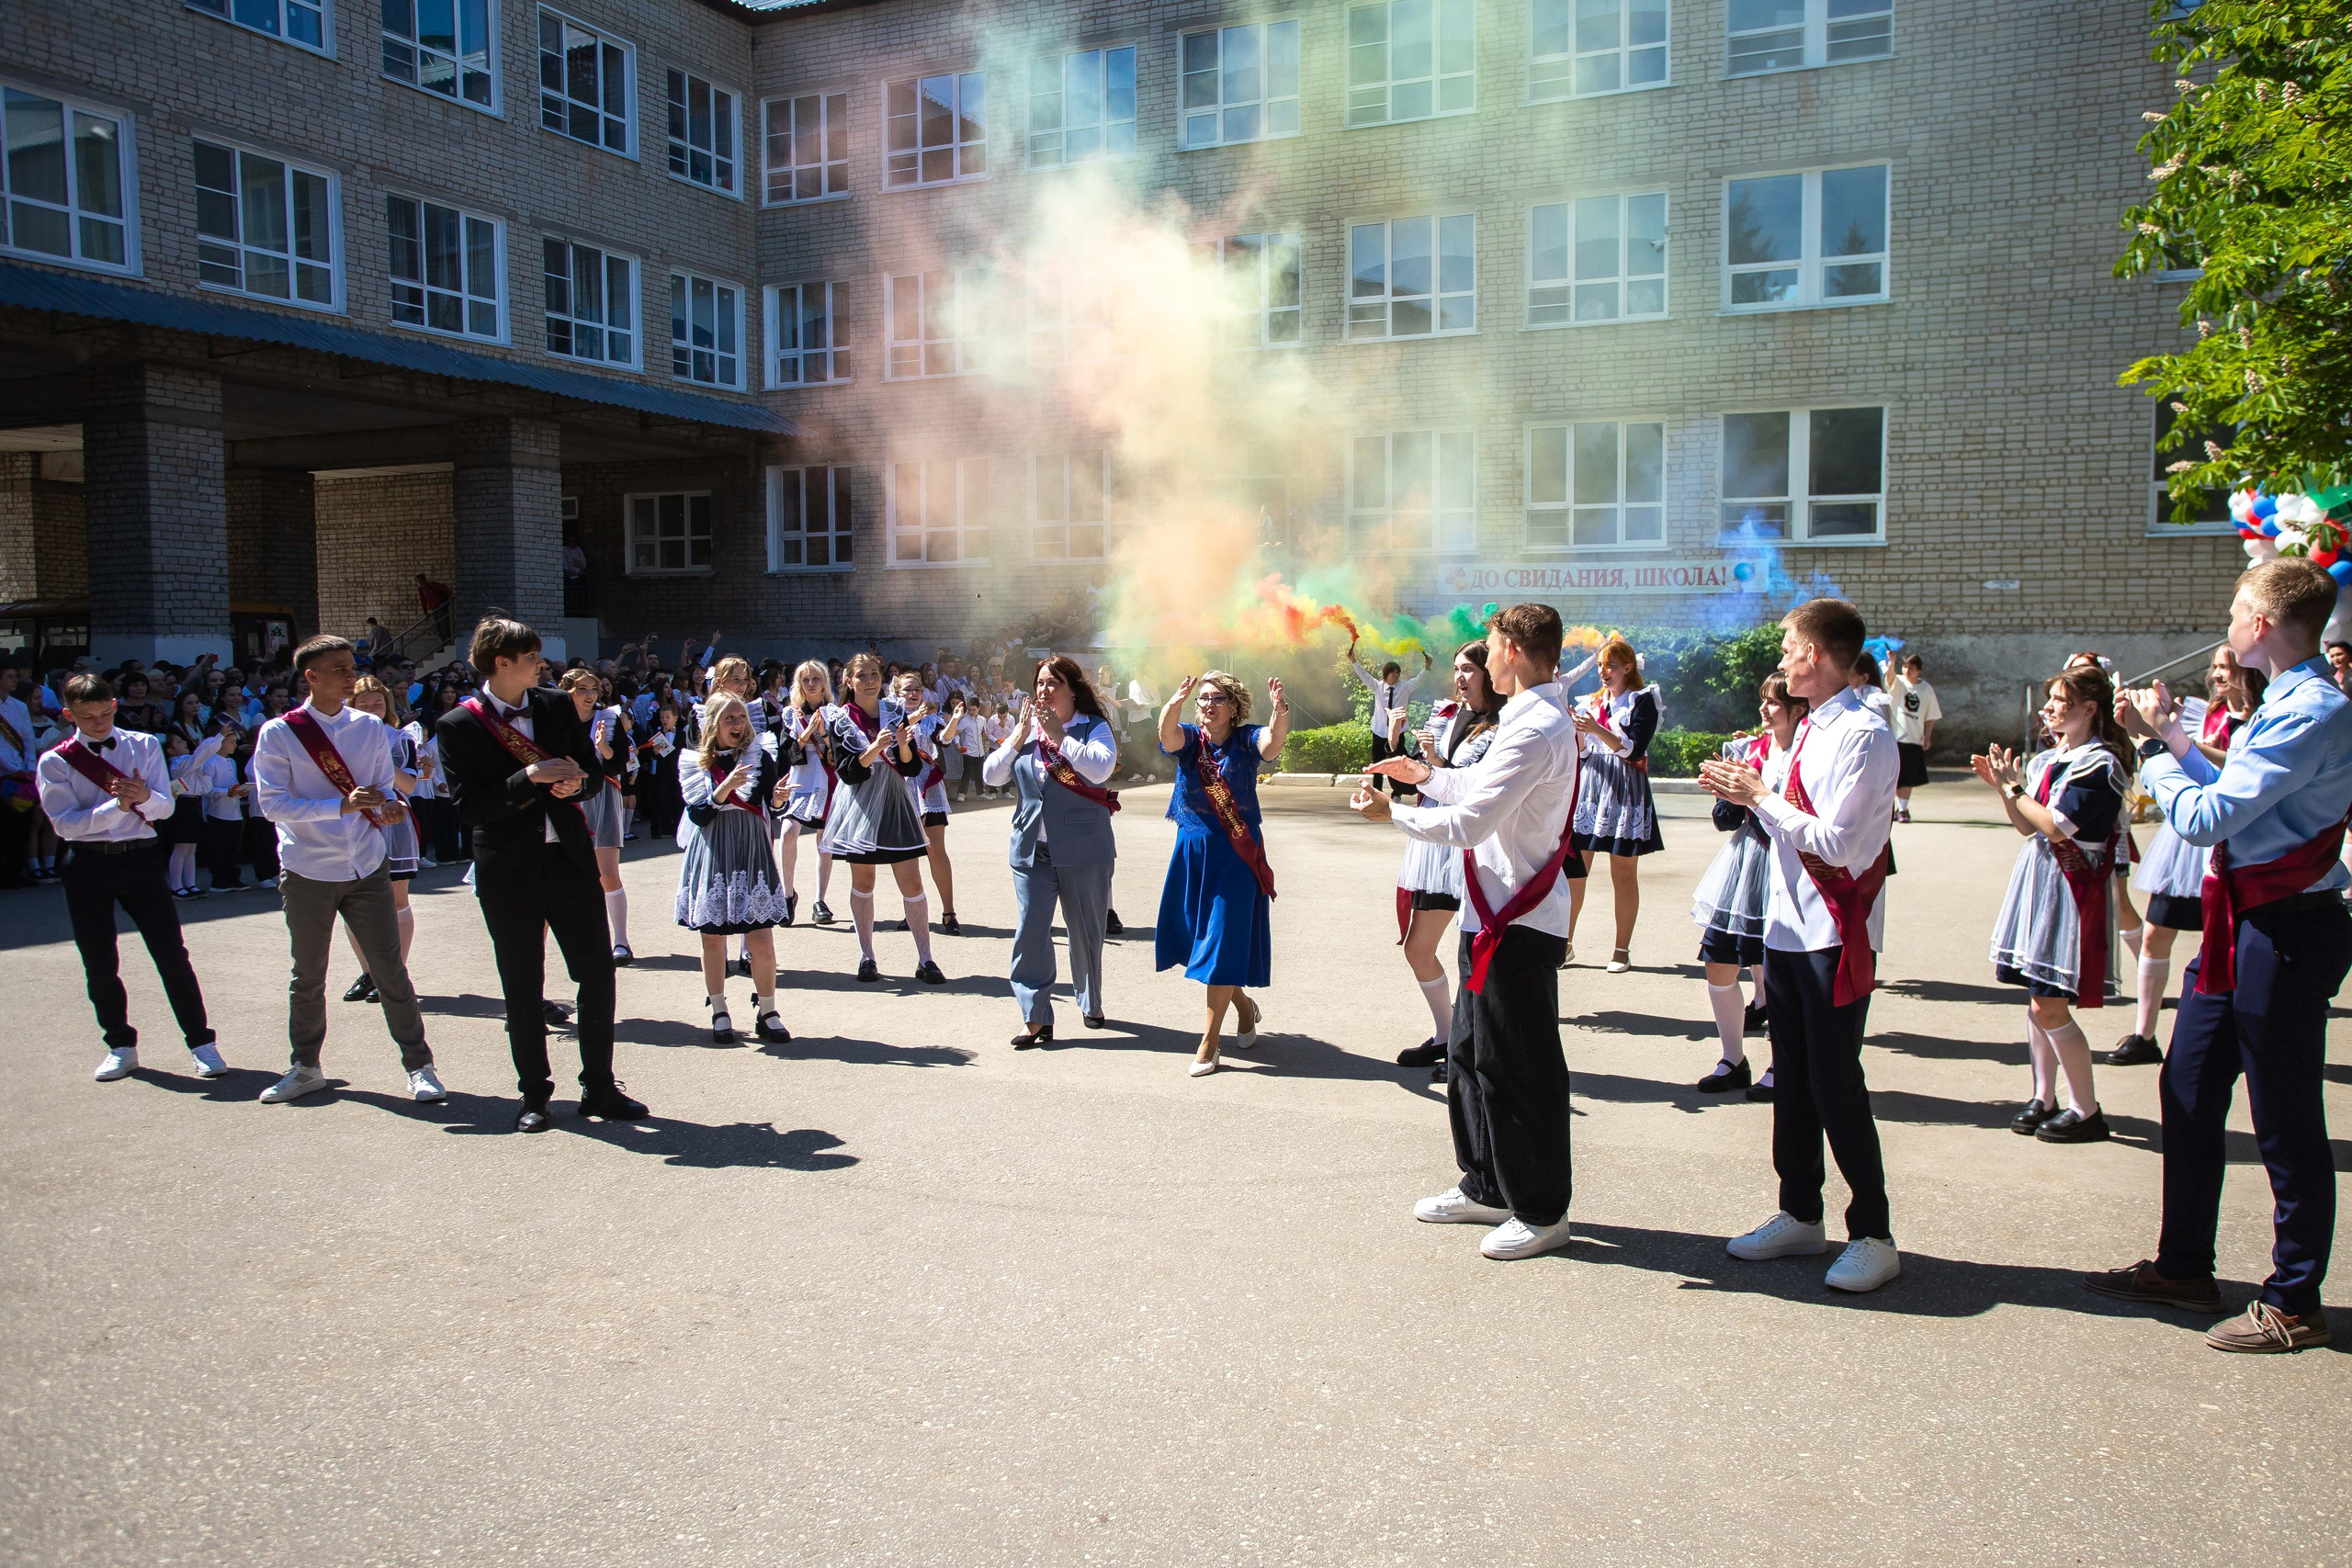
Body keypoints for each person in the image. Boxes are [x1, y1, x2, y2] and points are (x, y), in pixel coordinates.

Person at [2089, 558, 2352, 1353]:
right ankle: (2184, 1266)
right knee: (2191, 1082)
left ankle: (2294, 1294)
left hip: (2286, 928)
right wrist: (2172, 733)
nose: (2228, 622)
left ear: (2263, 625)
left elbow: (2208, 819)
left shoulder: (2313, 710)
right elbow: (2237, 793)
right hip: (2244, 922)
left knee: (2284, 1116)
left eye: (2238, 609)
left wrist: (2153, 751)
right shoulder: (2284, 700)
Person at [1351, 603, 1581, 1261]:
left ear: (1511, 648)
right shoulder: (1524, 716)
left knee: (1521, 1068)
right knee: (1475, 1056)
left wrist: (1393, 817)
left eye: (1490, 643)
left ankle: (1541, 1209)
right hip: (1491, 912)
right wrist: (1422, 777)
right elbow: (1475, 784)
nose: (1484, 654)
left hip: (1519, 919)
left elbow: (1474, 822)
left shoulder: (1538, 724)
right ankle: (1486, 1183)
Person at [1698, 598, 1902, 1294]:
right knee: (1792, 1081)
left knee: (1835, 1082)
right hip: (1786, 929)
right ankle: (1800, 1211)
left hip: (1832, 931)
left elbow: (1840, 845)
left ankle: (1873, 1232)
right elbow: (1787, 817)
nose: (1782, 658)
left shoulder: (1867, 735)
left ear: (1816, 655)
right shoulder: (1815, 724)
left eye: (1789, 647)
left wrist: (1763, 794)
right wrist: (1745, 792)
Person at [435, 614, 645, 1133]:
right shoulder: (458, 724)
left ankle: (599, 1086)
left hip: (569, 861)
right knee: (523, 985)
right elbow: (471, 807)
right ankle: (534, 1094)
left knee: (597, 973)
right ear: (501, 663)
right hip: (510, 869)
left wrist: (580, 786)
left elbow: (593, 773)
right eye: (531, 657)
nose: (542, 664)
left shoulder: (553, 703)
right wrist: (529, 776)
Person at [249, 639, 445, 1105]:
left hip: (366, 861)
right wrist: (341, 804)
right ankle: (305, 1066)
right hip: (308, 867)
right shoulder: (279, 733)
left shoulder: (370, 728)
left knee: (389, 969)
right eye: (337, 669)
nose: (348, 676)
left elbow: (379, 788)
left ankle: (420, 1065)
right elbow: (273, 804)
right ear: (310, 677)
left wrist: (389, 807)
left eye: (351, 667)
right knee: (309, 973)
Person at [36, 673, 225, 1083]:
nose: (99, 723)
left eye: (105, 713)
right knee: (100, 960)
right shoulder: (56, 760)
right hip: (87, 863)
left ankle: (201, 1042)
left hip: (139, 859)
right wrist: (119, 806)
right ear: (69, 714)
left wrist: (143, 799)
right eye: (87, 717)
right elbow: (67, 826)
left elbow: (164, 809)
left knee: (171, 954)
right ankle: (120, 1045)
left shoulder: (143, 745)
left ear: (115, 707)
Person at [1976, 665, 2135, 1144]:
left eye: (2059, 700)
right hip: (2041, 883)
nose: (2048, 708)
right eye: (2049, 699)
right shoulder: (2051, 758)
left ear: (2089, 709)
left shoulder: (2101, 764)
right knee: (2037, 1000)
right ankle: (2043, 1096)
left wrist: (2015, 789)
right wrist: (2005, 790)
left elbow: (2054, 826)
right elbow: (2026, 825)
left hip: (2070, 888)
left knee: (2051, 1004)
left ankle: (2086, 1109)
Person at [2109, 648, 2262, 1066]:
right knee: (2158, 929)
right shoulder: (2204, 713)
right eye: (2214, 666)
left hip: (2228, 835)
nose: (2216, 674)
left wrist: (2178, 742)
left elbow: (2236, 770)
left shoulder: (2262, 718)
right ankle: (2144, 1031)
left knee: (2230, 939)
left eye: (2225, 667)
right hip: (2185, 839)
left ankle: (2240, 1031)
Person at [1155, 669, 1290, 1076]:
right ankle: (1245, 1008)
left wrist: (1279, 712)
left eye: (1217, 699)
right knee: (1209, 943)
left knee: (1219, 943)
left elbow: (1272, 743)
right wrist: (1175, 702)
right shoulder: (1190, 740)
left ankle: (1209, 1043)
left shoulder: (1246, 739)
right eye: (1203, 699)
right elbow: (1166, 736)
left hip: (1236, 856)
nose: (1208, 705)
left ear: (1234, 707)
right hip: (1194, 851)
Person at [989, 655, 1121, 1047]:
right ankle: (1035, 1016)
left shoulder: (1092, 727)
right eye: (1040, 683)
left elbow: (1101, 770)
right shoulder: (1025, 730)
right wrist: (1017, 739)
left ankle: (1089, 1000)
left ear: (1072, 689)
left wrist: (1061, 738)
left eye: (1053, 683)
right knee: (1031, 931)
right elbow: (992, 775)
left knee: (1086, 930)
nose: (1044, 690)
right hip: (1032, 848)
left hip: (1084, 848)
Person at [1691, 674, 1808, 1098]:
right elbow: (1725, 820)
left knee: (1775, 967)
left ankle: (1782, 1064)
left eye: (1772, 703)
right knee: (1719, 960)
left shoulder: (1806, 753)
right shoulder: (1752, 751)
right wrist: (1723, 792)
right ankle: (1732, 1059)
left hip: (1784, 861)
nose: (1763, 710)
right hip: (1743, 864)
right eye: (1762, 701)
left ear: (1798, 710)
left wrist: (1757, 794)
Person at [1392, 642, 1505, 1078]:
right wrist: (1402, 745)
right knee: (1419, 949)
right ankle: (1447, 1036)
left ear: (1490, 673)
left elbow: (1475, 788)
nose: (1460, 677)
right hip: (1436, 844)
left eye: (1470, 669)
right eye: (1457, 669)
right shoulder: (1447, 715)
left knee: (1475, 955)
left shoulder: (1504, 724)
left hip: (1476, 844)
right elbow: (1432, 773)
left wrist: (1435, 765)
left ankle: (1473, 1049)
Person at [819, 651, 944, 986]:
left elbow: (910, 767)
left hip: (894, 801)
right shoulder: (841, 717)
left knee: (912, 883)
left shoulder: (895, 711)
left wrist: (903, 745)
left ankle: (925, 958)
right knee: (864, 883)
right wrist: (874, 748)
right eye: (861, 675)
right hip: (860, 804)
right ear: (849, 681)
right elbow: (846, 772)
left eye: (874, 674)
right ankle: (867, 955)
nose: (869, 680)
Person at [675, 693, 792, 1044]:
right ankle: (719, 1009)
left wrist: (777, 800)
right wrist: (722, 790)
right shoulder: (695, 763)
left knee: (761, 937)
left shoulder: (761, 755)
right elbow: (698, 815)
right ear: (713, 724)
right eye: (729, 719)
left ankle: (768, 1010)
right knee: (713, 938)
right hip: (714, 849)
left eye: (741, 717)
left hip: (751, 849)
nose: (738, 725)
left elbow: (768, 801)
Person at [1567, 636, 1665, 973]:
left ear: (1628, 667)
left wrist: (1595, 728)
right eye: (1600, 666)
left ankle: (1621, 950)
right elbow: (1584, 752)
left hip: (1626, 787)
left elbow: (1634, 750)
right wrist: (1579, 733)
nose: (1604, 671)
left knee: (1623, 873)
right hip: (1592, 787)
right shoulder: (1590, 702)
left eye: (1610, 665)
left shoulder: (1643, 700)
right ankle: (1564, 945)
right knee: (1575, 870)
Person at [337, 675, 424, 1003]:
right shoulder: (340, 737)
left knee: (395, 899)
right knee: (354, 901)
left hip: (392, 822)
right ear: (352, 705)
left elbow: (410, 785)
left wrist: (379, 757)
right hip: (353, 822)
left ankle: (395, 973)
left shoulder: (399, 738)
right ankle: (369, 972)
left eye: (378, 703)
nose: (372, 708)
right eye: (364, 703)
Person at [561, 668, 635, 965]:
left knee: (608, 873)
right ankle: (587, 941)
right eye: (583, 689)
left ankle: (621, 941)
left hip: (603, 794)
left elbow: (619, 762)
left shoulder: (608, 719)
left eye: (594, 689)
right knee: (573, 877)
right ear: (567, 691)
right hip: (568, 797)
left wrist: (604, 748)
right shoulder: (558, 720)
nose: (590, 695)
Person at [894, 671, 962, 936]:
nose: (913, 694)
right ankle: (912, 910)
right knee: (907, 854)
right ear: (896, 693)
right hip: (900, 788)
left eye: (917, 690)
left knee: (936, 850)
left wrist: (954, 721)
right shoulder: (891, 719)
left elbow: (943, 739)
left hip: (928, 787)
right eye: (907, 690)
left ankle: (949, 912)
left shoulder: (929, 719)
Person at [776, 661, 834, 925]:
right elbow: (786, 752)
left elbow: (840, 751)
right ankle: (787, 896)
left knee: (824, 839)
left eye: (815, 679)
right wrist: (806, 733)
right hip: (800, 776)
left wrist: (822, 734)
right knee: (788, 834)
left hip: (827, 776)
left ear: (824, 682)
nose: (811, 684)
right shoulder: (791, 714)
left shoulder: (835, 712)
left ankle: (820, 900)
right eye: (805, 680)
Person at [1349, 642, 1431, 796]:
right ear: (1386, 674)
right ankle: (1377, 794)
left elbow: (1419, 680)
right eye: (1393, 673)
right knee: (1378, 765)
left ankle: (1397, 793)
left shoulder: (1405, 687)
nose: (1396, 676)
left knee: (1399, 765)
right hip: (1379, 732)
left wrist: (1427, 668)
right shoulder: (1377, 686)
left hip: (1397, 733)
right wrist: (1353, 660)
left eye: (1398, 673)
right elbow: (1363, 675)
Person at [198, 716, 253, 892]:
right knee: (220, 848)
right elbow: (206, 790)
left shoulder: (233, 761)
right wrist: (226, 792)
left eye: (235, 742)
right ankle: (219, 881)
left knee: (233, 847)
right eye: (230, 742)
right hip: (218, 812)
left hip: (234, 811)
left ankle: (232, 878)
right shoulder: (210, 763)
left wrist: (240, 791)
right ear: (219, 743)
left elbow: (233, 782)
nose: (234, 745)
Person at [1889, 653, 1939, 823]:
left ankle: (1903, 809)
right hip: (1895, 737)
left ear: (1918, 670)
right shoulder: (1899, 682)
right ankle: (1899, 807)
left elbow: (1930, 715)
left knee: (1908, 777)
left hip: (1914, 738)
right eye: (1904, 667)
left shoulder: (1926, 689)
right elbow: (1889, 679)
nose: (1907, 670)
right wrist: (1892, 662)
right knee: (1896, 777)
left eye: (1910, 668)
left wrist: (1927, 736)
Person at [415, 573, 454, 648]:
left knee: (444, 628)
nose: (419, 583)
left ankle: (451, 643)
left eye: (420, 580)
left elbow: (444, 588)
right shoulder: (421, 590)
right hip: (434, 611)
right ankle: (445, 645)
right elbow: (423, 601)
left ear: (424, 580)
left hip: (442, 608)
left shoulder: (432, 585)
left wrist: (450, 596)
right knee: (438, 629)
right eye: (418, 581)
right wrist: (425, 612)